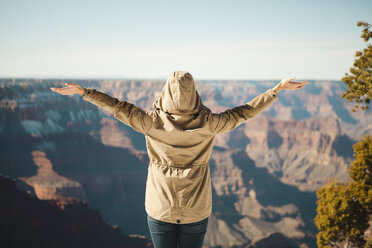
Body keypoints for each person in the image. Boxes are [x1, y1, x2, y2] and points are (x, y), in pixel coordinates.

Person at [50, 71, 309, 248]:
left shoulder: (150, 122)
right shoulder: (210, 124)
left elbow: (117, 106)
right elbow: (245, 113)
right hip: (196, 209)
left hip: (159, 207)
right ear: (194, 94)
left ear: (165, 93)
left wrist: (84, 92)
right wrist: (276, 90)